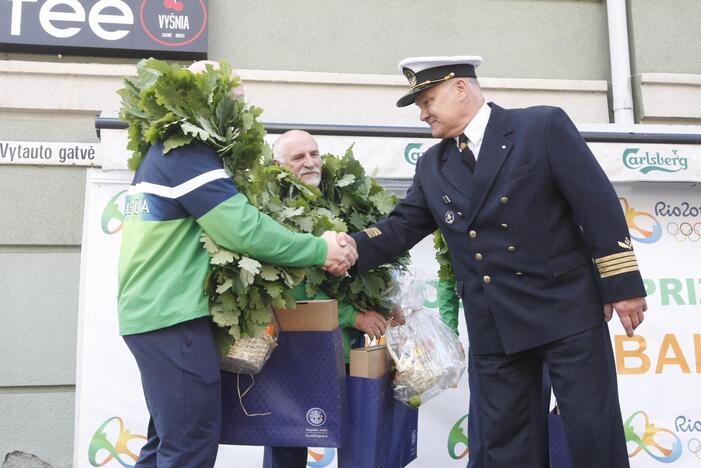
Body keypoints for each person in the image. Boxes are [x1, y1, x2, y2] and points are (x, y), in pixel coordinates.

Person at [349, 56, 647, 468]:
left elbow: (597, 206)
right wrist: (344, 250)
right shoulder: (433, 166)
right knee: (507, 447)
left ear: (459, 88)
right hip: (495, 326)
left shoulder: (540, 127)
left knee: (593, 434)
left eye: (427, 99)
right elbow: (400, 227)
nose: (423, 114)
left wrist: (624, 287)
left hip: (566, 310)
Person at [117, 62, 357, 468]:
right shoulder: (189, 152)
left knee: (167, 444)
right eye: (234, 102)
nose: (241, 115)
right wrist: (320, 249)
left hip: (156, 316)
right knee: (190, 445)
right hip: (173, 318)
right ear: (204, 101)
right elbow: (241, 229)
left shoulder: (169, 151)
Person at [264, 129, 392, 468]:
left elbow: (364, 269)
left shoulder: (338, 200)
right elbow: (294, 289)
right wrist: (355, 316)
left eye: (314, 153)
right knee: (289, 443)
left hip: (345, 349)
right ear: (278, 166)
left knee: (356, 444)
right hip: (297, 350)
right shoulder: (273, 216)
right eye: (298, 157)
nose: (310, 162)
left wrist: (386, 304)